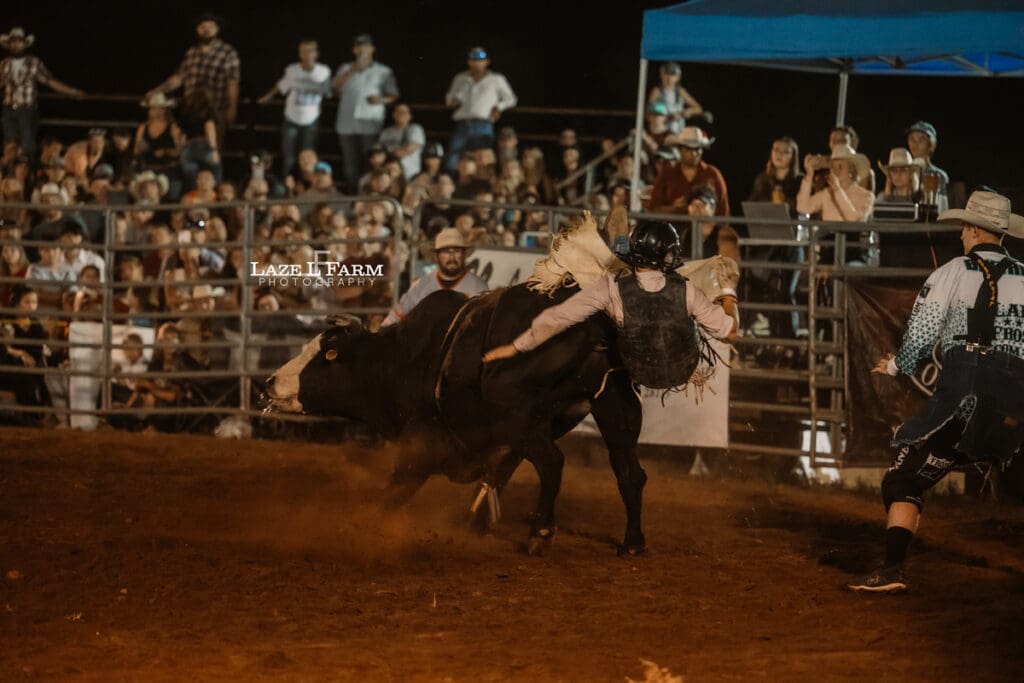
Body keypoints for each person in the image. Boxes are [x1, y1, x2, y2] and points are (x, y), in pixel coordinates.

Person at [851, 190, 1024, 593]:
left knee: (903, 475)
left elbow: (924, 332)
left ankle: (892, 570)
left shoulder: (952, 271)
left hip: (967, 389)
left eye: (964, 228)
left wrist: (896, 365)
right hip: (1017, 394)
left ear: (971, 228)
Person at [482, 216, 738, 391]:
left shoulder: (610, 288)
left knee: (604, 307)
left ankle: (618, 251)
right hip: (681, 369)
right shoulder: (687, 291)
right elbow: (731, 334)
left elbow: (557, 318)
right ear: (665, 256)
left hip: (637, 369)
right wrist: (729, 291)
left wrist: (516, 347)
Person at [145, 13, 240, 139]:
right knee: (188, 148)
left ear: (217, 29)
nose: (206, 30)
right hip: (191, 111)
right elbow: (179, 78)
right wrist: (157, 91)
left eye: (210, 26)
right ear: (197, 30)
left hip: (216, 110)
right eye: (202, 26)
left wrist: (232, 110)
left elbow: (232, 83)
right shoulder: (192, 52)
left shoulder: (228, 52)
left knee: (212, 150)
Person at [0, 27, 84, 163]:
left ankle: (28, 174)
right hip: (8, 108)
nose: (15, 44)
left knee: (27, 146)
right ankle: (11, 175)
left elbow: (49, 81)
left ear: (24, 44)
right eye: (13, 41)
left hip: (26, 109)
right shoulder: (4, 64)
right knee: (10, 146)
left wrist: (71, 92)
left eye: (18, 41)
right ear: (9, 44)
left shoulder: (33, 62)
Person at [381, 227, 487, 326]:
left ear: (464, 254)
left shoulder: (478, 287)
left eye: (457, 250)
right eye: (445, 251)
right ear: (436, 256)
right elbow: (394, 318)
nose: (452, 256)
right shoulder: (421, 285)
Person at [333, 34, 399, 191]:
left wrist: (381, 100)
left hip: (370, 124)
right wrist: (351, 71)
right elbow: (334, 89)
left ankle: (369, 195)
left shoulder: (383, 71)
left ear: (372, 49)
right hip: (346, 124)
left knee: (370, 163)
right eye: (359, 46)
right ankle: (353, 198)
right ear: (354, 50)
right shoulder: (345, 68)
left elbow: (394, 95)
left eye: (366, 46)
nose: (362, 49)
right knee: (350, 166)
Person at [258, 39, 332, 179]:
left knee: (308, 157)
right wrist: (267, 97)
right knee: (289, 158)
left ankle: (307, 186)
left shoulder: (323, 71)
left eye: (310, 51)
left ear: (316, 53)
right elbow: (281, 86)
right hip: (291, 118)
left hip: (311, 120)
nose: (307, 54)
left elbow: (330, 92)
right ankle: (289, 189)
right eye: (303, 51)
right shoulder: (292, 70)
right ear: (299, 54)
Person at [444, 46, 517, 173]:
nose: (477, 63)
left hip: (483, 125)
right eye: (474, 59)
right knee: (453, 158)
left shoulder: (496, 79)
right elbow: (449, 99)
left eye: (480, 60)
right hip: (463, 123)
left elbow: (511, 99)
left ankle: (481, 187)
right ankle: (454, 185)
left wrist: (498, 107)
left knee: (482, 160)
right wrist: (454, 101)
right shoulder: (460, 78)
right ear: (469, 62)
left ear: (487, 62)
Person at [647, 128, 729, 217]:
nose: (694, 153)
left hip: (704, 229)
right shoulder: (667, 174)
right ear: (680, 150)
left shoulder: (713, 174)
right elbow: (653, 208)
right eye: (688, 149)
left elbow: (723, 210)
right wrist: (674, 209)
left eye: (697, 149)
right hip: (674, 229)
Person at [647, 62, 704, 134]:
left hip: (678, 131)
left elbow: (698, 108)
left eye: (673, 75)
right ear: (661, 75)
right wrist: (666, 116)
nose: (669, 79)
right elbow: (649, 115)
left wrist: (683, 113)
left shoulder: (680, 91)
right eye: (666, 74)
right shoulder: (657, 91)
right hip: (662, 133)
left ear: (678, 77)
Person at [748, 136, 802, 212]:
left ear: (793, 157)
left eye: (785, 152)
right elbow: (751, 206)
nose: (779, 154)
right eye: (776, 150)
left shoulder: (801, 181)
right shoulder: (762, 179)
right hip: (765, 222)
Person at [905, 121, 950, 213]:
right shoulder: (902, 172)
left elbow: (942, 210)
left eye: (921, 139)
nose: (915, 143)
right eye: (912, 139)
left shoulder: (938, 175)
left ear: (931, 145)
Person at [378, 102, 425, 181]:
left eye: (404, 112)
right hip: (388, 175)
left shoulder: (415, 129)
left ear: (410, 115)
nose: (401, 115)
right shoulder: (386, 132)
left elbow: (408, 150)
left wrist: (391, 152)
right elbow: (379, 152)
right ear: (393, 115)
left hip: (410, 174)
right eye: (398, 112)